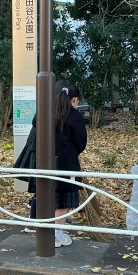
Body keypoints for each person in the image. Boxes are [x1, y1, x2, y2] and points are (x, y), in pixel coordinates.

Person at [52, 81, 88, 247]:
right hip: (67, 163)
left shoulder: (46, 112)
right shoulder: (74, 116)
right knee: (63, 202)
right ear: (74, 99)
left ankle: (48, 233)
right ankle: (57, 235)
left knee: (48, 198)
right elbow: (81, 142)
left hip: (45, 162)